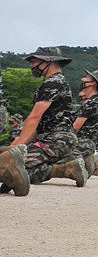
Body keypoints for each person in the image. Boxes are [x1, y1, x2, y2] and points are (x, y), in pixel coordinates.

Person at [0, 47, 87, 193]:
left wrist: (16, 151)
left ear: (48, 61)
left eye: (34, 61)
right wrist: (19, 148)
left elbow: (34, 117)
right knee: (22, 169)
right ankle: (67, 166)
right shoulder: (55, 81)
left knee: (7, 166)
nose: (31, 65)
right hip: (55, 138)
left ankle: (63, 168)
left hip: (55, 139)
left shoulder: (53, 82)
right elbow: (38, 125)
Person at [73, 69, 98, 176]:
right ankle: (88, 159)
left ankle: (87, 161)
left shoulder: (91, 102)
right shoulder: (93, 100)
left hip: (82, 142)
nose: (82, 79)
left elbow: (76, 126)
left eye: (86, 78)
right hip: (85, 141)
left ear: (93, 83)